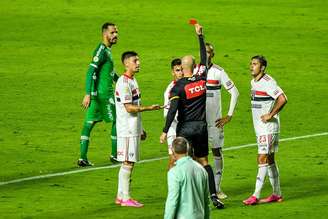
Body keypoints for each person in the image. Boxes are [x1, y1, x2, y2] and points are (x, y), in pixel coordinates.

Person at [160, 23, 224, 209]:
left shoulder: (178, 87)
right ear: (195, 67)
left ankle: (179, 195)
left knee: (178, 160)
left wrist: (165, 131)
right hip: (201, 127)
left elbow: (172, 111)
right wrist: (200, 36)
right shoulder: (202, 78)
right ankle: (213, 195)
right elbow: (205, 59)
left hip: (185, 128)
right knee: (204, 161)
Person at [115, 51, 161, 207]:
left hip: (133, 128)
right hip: (127, 129)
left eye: (138, 60)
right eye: (135, 61)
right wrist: (149, 108)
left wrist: (141, 129)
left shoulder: (133, 80)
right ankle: (126, 198)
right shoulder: (124, 83)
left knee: (127, 162)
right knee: (129, 162)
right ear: (126, 63)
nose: (138, 63)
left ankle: (120, 196)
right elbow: (129, 108)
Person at [243, 55, 287, 205]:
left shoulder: (268, 82)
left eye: (255, 64)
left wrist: (270, 114)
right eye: (251, 63)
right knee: (270, 160)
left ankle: (255, 195)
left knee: (261, 158)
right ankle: (277, 193)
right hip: (261, 129)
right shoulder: (253, 82)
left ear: (262, 67)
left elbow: (282, 98)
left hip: (268, 128)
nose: (251, 66)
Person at [198, 42, 239, 199]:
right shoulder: (195, 71)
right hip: (198, 121)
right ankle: (202, 188)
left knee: (216, 151)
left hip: (215, 122)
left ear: (212, 55)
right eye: (204, 52)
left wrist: (229, 115)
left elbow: (235, 93)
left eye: (209, 52)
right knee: (197, 154)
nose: (206, 54)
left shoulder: (219, 72)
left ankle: (217, 187)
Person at [78, 22, 119, 167]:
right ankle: (115, 155)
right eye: (113, 32)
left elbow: (109, 73)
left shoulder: (107, 51)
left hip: (97, 94)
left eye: (116, 32)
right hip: (103, 95)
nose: (116, 35)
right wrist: (87, 94)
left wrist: (122, 82)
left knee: (89, 123)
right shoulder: (101, 50)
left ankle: (82, 158)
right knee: (117, 120)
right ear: (105, 34)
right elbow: (90, 71)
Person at [164, 137, 210, 219]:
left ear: (173, 151)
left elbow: (172, 201)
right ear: (187, 149)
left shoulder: (174, 172)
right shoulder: (201, 169)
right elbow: (206, 200)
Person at [163, 58, 183, 170]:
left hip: (186, 126)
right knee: (173, 159)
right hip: (173, 127)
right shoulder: (170, 90)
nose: (180, 73)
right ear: (173, 72)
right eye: (177, 70)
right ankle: (173, 186)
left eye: (181, 70)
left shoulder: (188, 85)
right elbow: (168, 113)